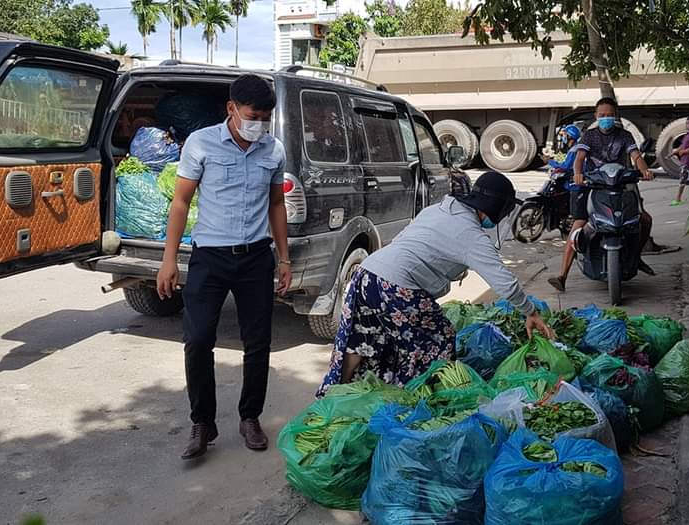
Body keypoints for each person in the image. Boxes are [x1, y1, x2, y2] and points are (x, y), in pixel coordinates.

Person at [317, 171, 556, 396]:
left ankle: (333, 395)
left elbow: (405, 240)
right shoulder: (471, 234)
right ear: (497, 209)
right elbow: (507, 285)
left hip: (368, 274)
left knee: (361, 337)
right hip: (397, 286)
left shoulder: (438, 210)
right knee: (438, 338)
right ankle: (415, 398)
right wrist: (530, 312)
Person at [156, 75, 292, 460]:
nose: (259, 123)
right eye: (253, 115)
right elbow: (180, 202)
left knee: (258, 343)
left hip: (255, 257)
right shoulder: (201, 144)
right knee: (198, 340)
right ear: (231, 108)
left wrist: (284, 259)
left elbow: (276, 205)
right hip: (210, 257)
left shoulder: (273, 149)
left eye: (266, 117)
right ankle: (203, 422)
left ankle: (250, 417)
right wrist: (169, 260)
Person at [548, 97, 655, 293]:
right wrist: (578, 174)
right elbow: (579, 158)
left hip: (621, 185)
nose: (605, 118)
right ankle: (563, 275)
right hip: (593, 185)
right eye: (602, 115)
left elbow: (636, 156)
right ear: (596, 116)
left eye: (609, 115)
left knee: (644, 220)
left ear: (615, 116)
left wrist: (645, 171)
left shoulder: (625, 135)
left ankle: (635, 257)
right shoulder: (589, 136)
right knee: (578, 226)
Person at [670, 116, 689, 206]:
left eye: (688, 123)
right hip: (685, 161)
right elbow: (682, 146)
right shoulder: (688, 134)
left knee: (685, 180)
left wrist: (684, 152)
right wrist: (674, 153)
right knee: (688, 181)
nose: (687, 125)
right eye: (686, 123)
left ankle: (678, 199)